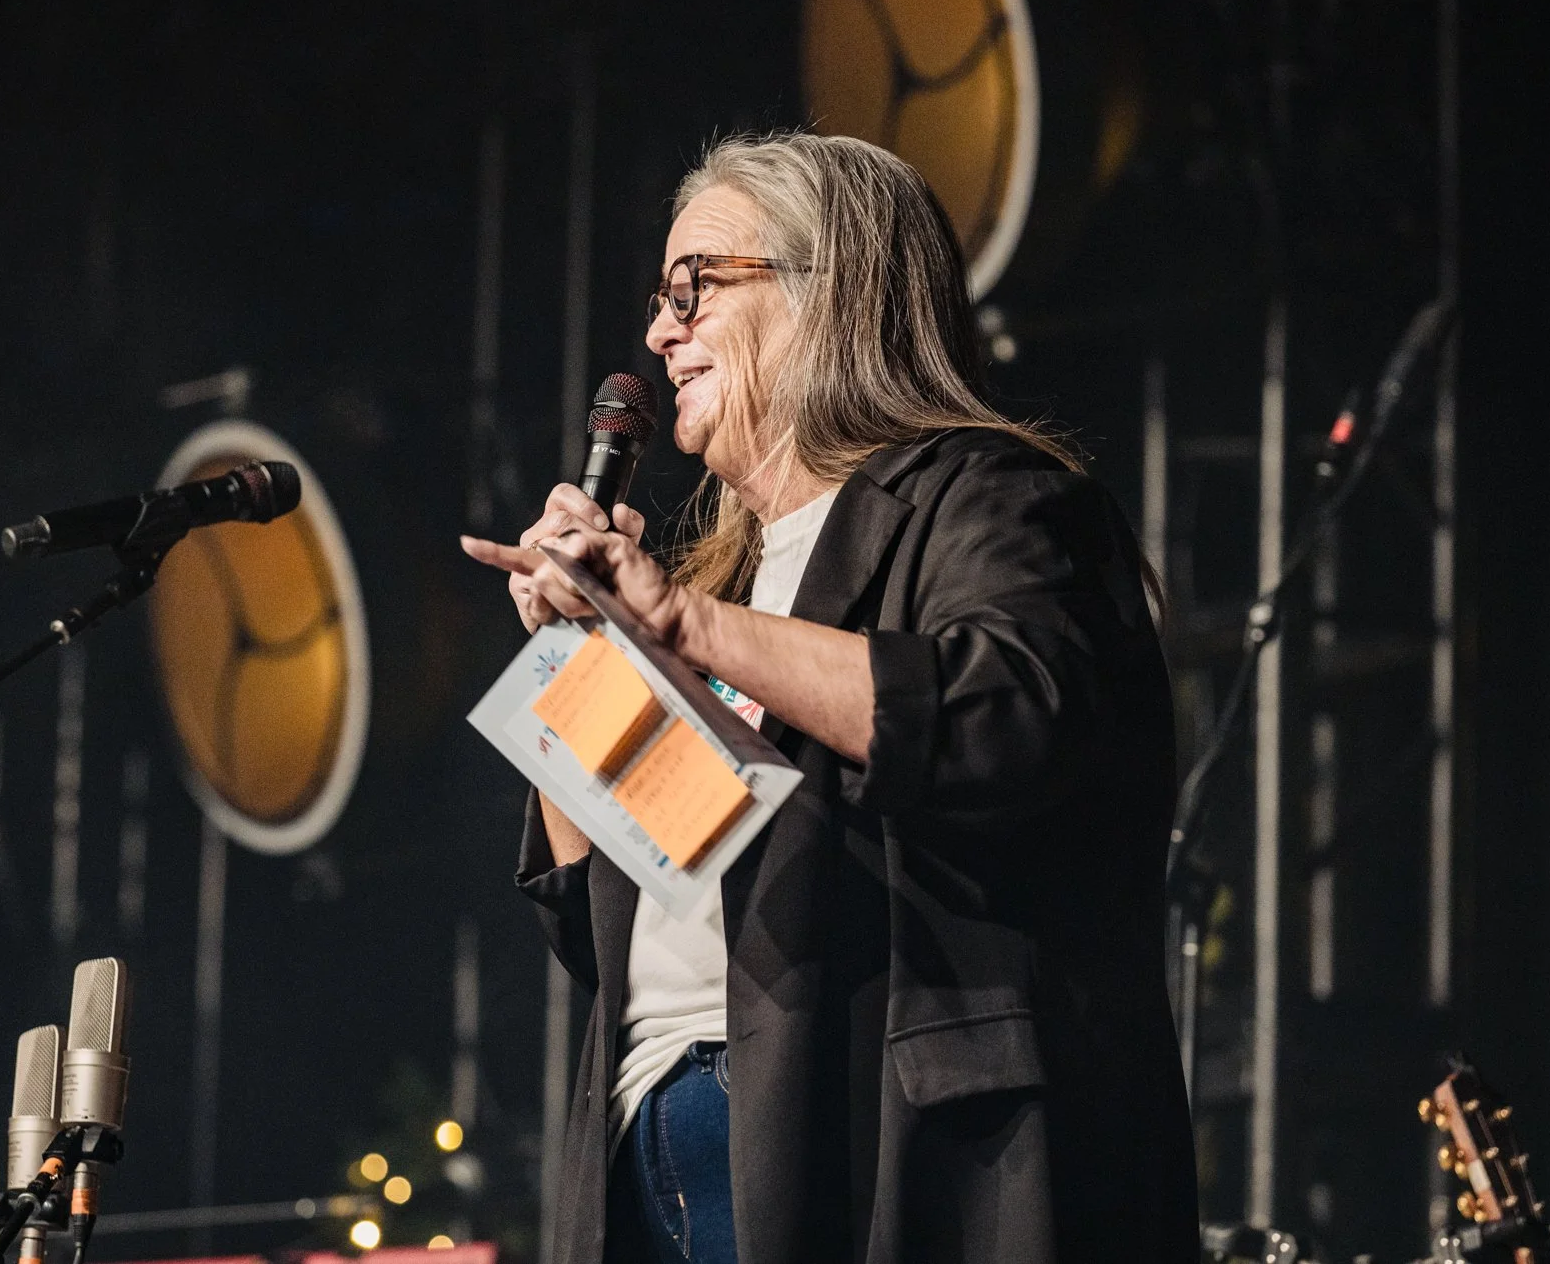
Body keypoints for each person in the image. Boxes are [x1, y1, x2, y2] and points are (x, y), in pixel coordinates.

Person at [461, 132, 1197, 1264]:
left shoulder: (985, 497)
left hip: (888, 1143)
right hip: (648, 1136)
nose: (660, 333)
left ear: (827, 291)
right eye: (661, 301)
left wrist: (678, 625)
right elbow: (594, 914)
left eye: (693, 287)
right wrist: (581, 657)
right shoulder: (720, 580)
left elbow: (1006, 713)